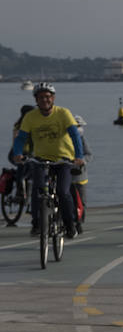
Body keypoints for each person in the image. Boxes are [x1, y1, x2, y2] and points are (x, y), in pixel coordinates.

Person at [8, 83, 85, 237]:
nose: (45, 100)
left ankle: (70, 224)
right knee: (38, 190)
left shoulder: (63, 113)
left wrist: (79, 157)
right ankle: (36, 223)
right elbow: (21, 138)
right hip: (40, 159)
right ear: (36, 99)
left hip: (63, 160)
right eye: (41, 97)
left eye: (48, 97)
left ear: (53, 98)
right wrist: (18, 153)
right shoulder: (31, 117)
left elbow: (75, 136)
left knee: (63, 192)